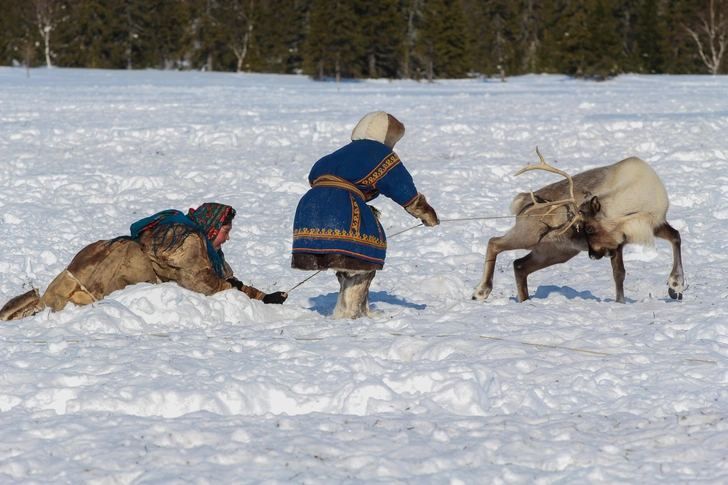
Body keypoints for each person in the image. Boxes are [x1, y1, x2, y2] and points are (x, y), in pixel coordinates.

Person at [0, 202, 287, 321]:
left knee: (51, 308)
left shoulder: (202, 244)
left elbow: (226, 279)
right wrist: (244, 296)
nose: (227, 239)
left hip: (104, 261)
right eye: (225, 232)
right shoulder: (188, 240)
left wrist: (261, 296)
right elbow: (205, 283)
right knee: (52, 311)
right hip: (104, 271)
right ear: (213, 228)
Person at [291, 111, 439, 319]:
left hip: (310, 207)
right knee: (363, 254)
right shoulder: (380, 154)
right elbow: (402, 189)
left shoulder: (335, 155)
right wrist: (427, 214)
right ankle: (349, 312)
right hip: (342, 206)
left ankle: (357, 306)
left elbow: (314, 178)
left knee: (346, 259)